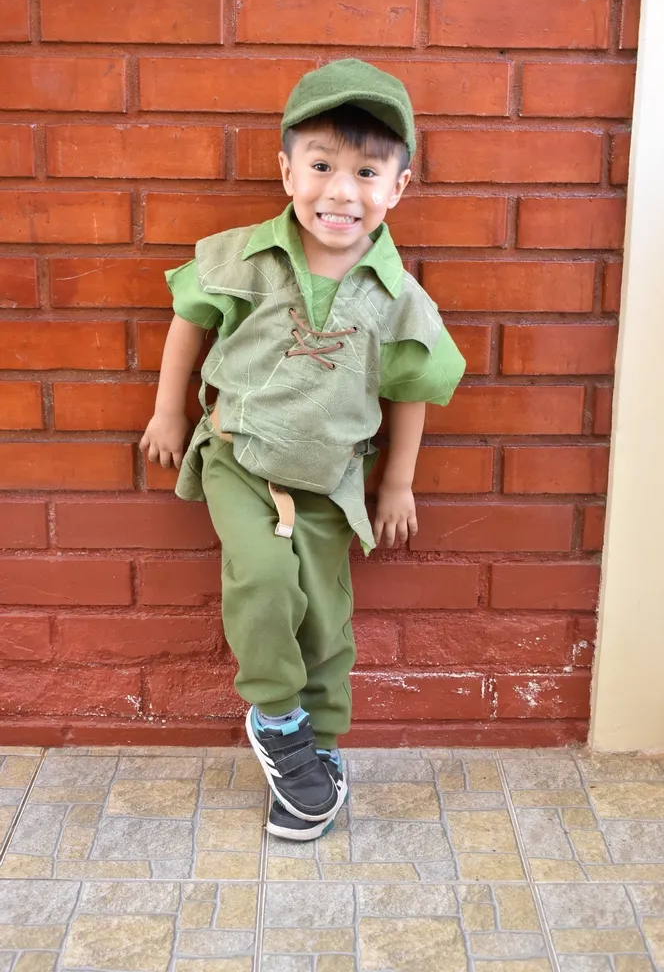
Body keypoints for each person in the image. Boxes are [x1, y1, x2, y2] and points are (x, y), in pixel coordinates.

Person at [140, 58, 466, 841]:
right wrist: (167, 411)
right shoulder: (242, 257)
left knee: (324, 618)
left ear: (397, 187)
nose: (340, 191)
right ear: (287, 171)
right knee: (263, 580)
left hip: (330, 481)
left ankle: (315, 748)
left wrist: (397, 484)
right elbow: (189, 320)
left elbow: (412, 388)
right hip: (241, 460)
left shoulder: (399, 300)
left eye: (366, 172)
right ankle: (278, 719)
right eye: (320, 166)